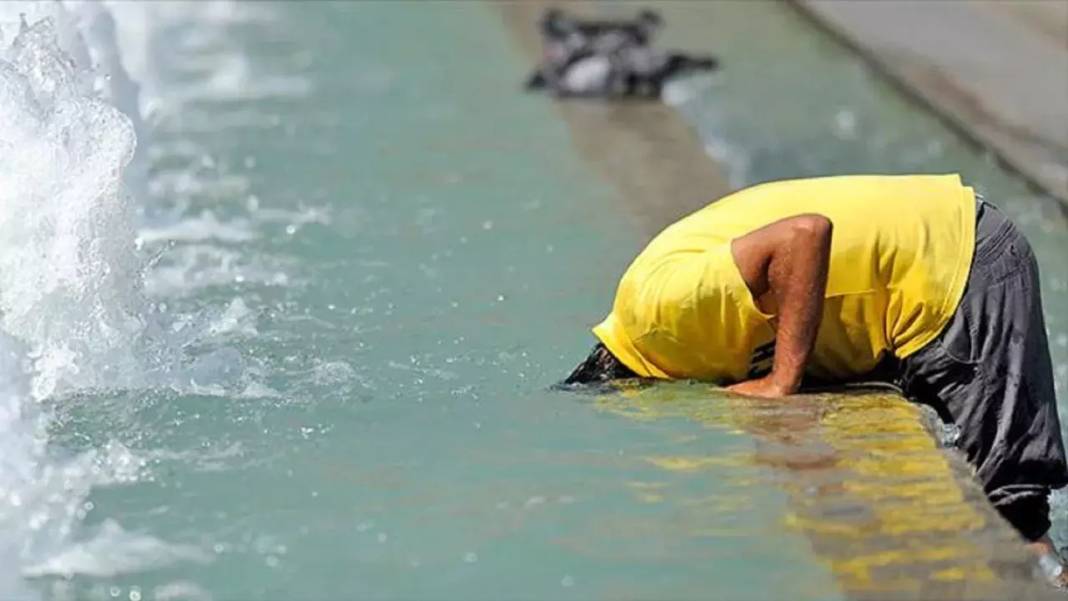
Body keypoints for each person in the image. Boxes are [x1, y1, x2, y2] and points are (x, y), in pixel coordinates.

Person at [564, 174, 1068, 583]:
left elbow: (805, 234)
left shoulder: (660, 317)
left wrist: (781, 381)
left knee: (1015, 521)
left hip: (955, 266)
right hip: (925, 265)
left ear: (627, 389)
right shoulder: (654, 322)